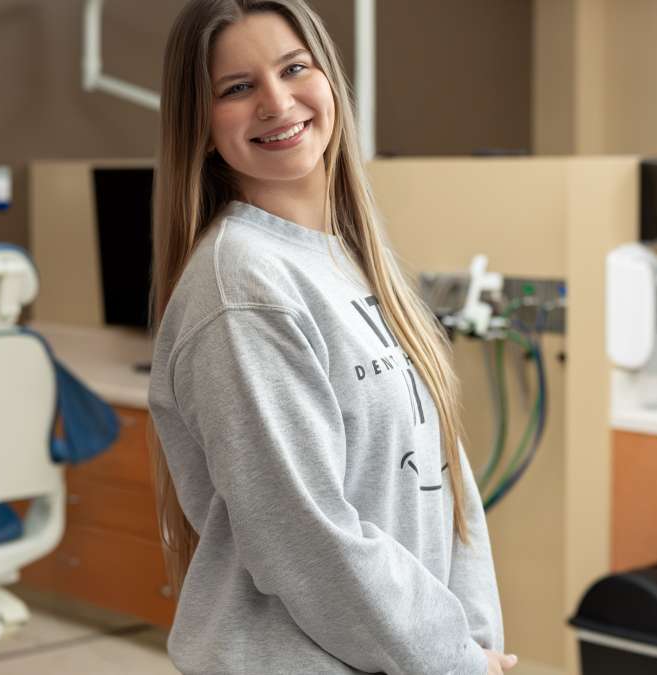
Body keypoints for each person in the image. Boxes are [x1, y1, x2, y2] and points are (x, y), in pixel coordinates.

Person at [147, 1, 511, 673]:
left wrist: (470, 645)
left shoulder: (349, 261)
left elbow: (446, 484)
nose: (277, 102)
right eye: (237, 87)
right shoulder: (243, 286)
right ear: (200, 125)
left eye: (293, 69)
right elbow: (306, 537)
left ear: (329, 82)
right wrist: (451, 659)